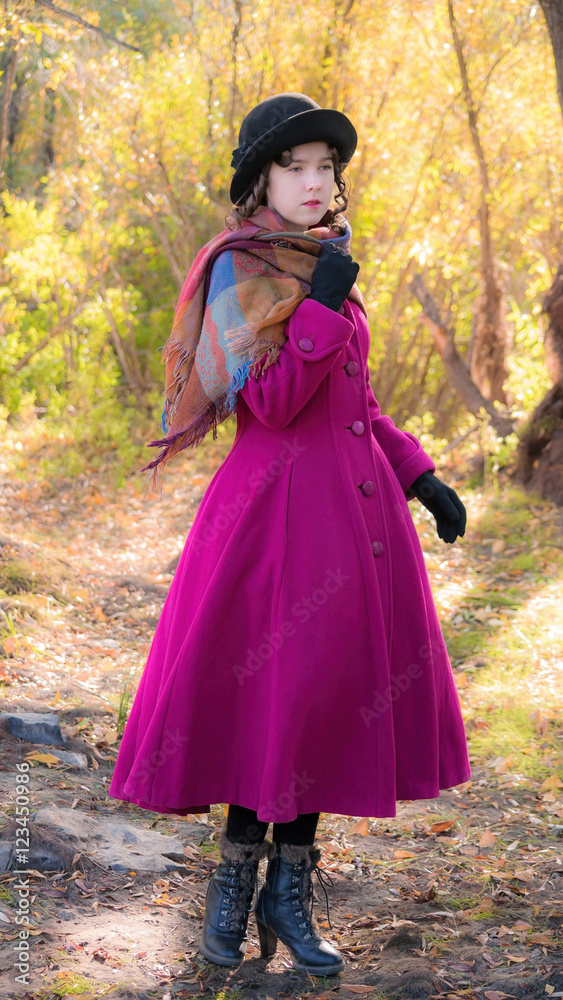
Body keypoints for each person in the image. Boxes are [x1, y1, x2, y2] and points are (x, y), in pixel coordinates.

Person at [109, 92, 471, 978]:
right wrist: (317, 307)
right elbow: (266, 403)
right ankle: (233, 888)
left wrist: (419, 475)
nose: (315, 182)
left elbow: (360, 406)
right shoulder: (243, 270)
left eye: (325, 167)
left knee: (317, 705)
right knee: (266, 697)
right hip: (270, 525)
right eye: (295, 166)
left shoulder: (327, 264)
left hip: (351, 523)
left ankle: (288, 892)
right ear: (261, 181)